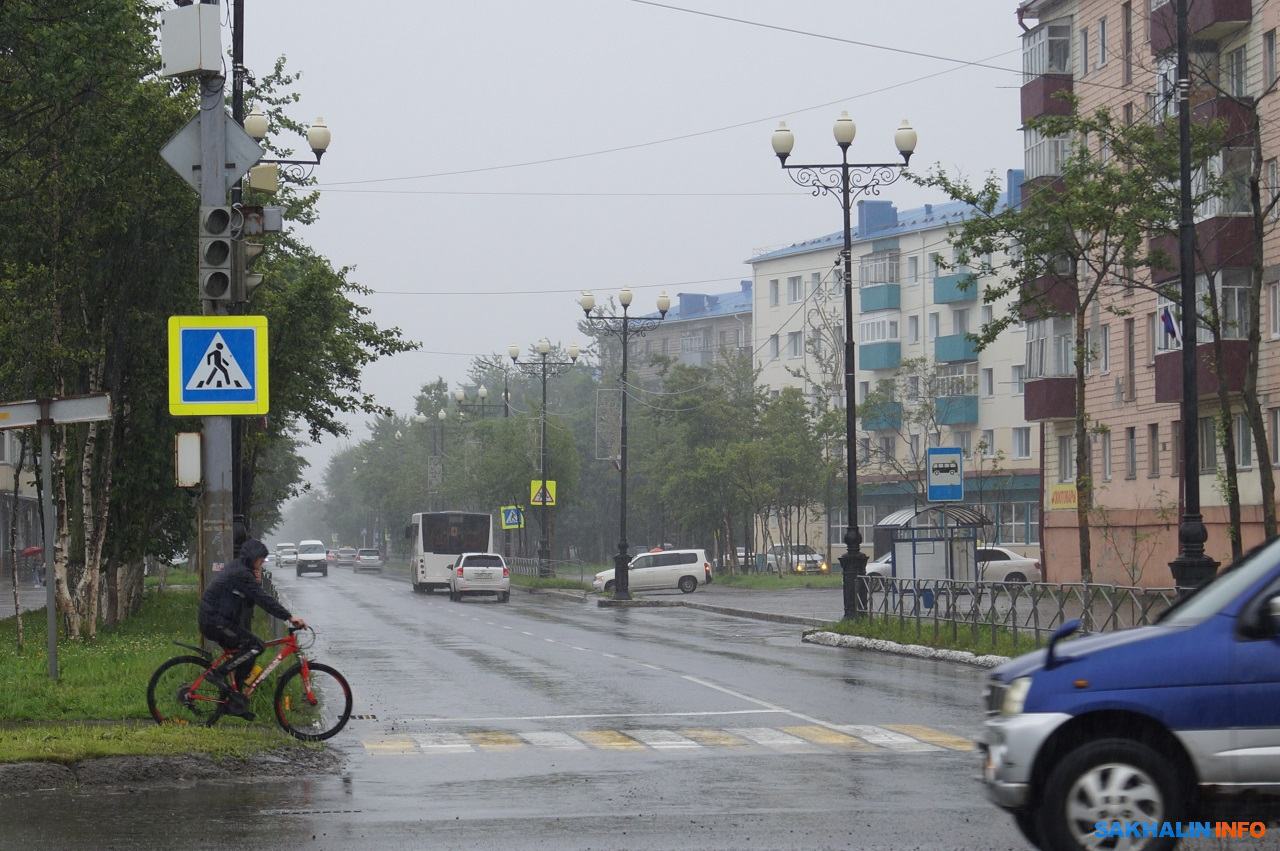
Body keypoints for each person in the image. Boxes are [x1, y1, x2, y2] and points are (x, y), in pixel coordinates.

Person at [197, 538, 306, 718]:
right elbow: (263, 599)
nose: (261, 564)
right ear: (253, 557)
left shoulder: (241, 569)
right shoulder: (241, 572)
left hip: (220, 620)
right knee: (257, 646)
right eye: (261, 561)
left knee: (248, 651)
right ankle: (217, 674)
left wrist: (255, 584)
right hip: (214, 621)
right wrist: (289, 617)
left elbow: (248, 602)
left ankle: (235, 700)